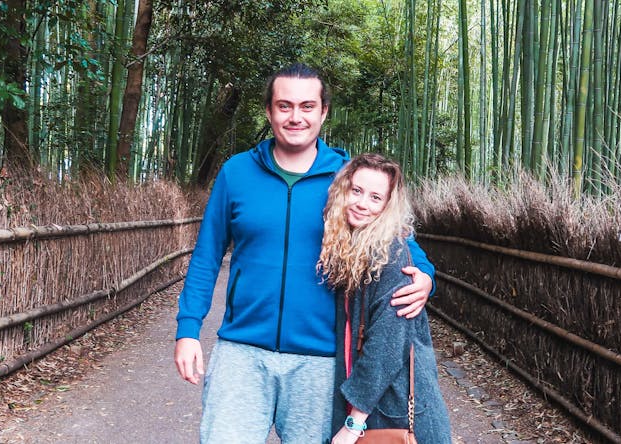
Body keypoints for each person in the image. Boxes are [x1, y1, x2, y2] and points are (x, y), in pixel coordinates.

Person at [173, 63, 436, 443]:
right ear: (269, 111)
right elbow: (206, 256)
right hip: (241, 354)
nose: (295, 117)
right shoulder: (236, 173)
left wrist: (426, 277)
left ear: (323, 112)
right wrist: (188, 329)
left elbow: (399, 239)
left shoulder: (346, 179)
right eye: (284, 106)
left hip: (322, 361)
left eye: (307, 106)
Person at [318, 153, 451, 443]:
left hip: (397, 413)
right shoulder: (351, 248)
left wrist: (353, 425)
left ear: (388, 206)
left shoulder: (390, 254)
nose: (362, 204)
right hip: (378, 409)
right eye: (357, 191)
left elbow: (386, 347)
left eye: (376, 198)